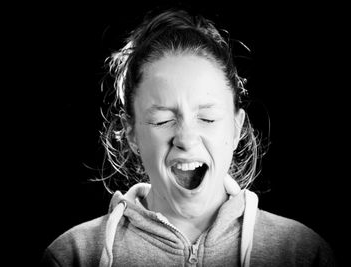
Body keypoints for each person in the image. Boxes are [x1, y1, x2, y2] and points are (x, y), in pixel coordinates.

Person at [42, 8, 335, 267]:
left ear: (235, 128)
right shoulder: (74, 256)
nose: (186, 138)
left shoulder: (301, 253)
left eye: (207, 118)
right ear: (131, 134)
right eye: (163, 120)